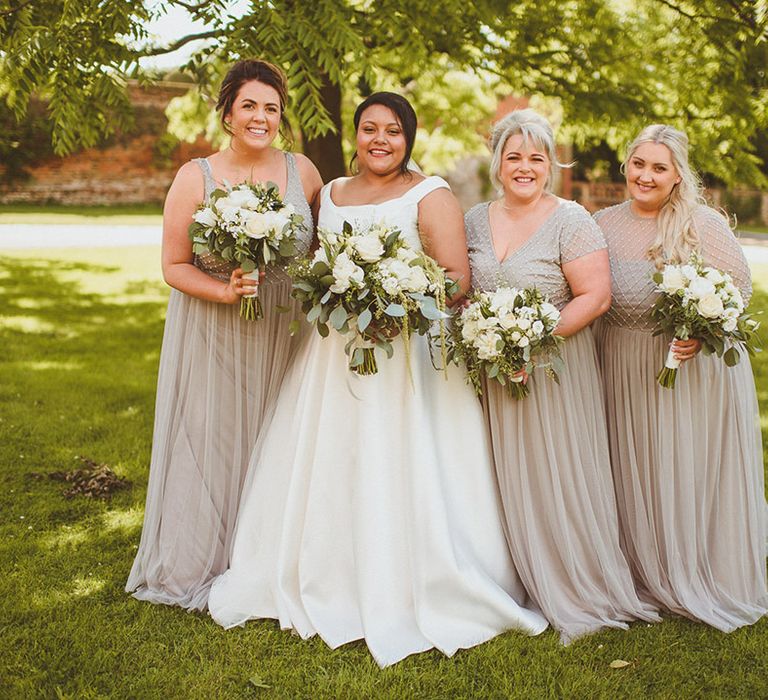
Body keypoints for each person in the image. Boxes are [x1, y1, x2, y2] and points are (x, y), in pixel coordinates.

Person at [207, 92, 548, 667]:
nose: (380, 139)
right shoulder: (334, 194)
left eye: (393, 130)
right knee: (334, 456)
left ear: (408, 138)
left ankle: (430, 576)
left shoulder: (430, 192)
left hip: (410, 356)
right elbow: (321, 265)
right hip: (337, 354)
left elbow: (456, 279)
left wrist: (396, 300)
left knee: (408, 459)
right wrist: (347, 292)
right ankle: (330, 570)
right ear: (357, 135)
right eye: (369, 129)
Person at [126, 59, 322, 610]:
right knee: (214, 439)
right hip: (215, 327)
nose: (261, 117)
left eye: (272, 108)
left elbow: (321, 250)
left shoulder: (302, 172)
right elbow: (173, 264)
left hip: (287, 326)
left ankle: (269, 557)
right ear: (228, 112)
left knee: (280, 436)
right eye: (250, 106)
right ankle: (204, 557)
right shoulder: (196, 177)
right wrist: (224, 291)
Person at [464, 109, 659, 643]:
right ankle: (508, 574)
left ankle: (570, 577)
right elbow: (462, 290)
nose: (524, 167)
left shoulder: (572, 220)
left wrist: (532, 339)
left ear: (550, 164)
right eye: (514, 156)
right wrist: (485, 337)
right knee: (494, 475)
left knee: (554, 471)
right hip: (489, 370)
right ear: (498, 161)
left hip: (551, 371)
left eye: (536, 158)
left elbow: (596, 297)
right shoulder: (474, 218)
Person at [593, 124, 768, 630]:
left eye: (659, 168)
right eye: (639, 164)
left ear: (677, 176)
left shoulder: (702, 223)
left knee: (680, 465)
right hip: (620, 364)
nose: (645, 176)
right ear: (625, 165)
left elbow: (736, 293)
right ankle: (640, 567)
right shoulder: (599, 223)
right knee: (632, 466)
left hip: (687, 369)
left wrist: (700, 328)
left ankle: (690, 566)